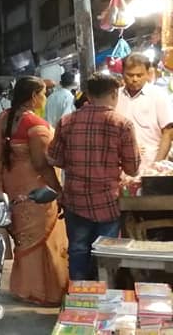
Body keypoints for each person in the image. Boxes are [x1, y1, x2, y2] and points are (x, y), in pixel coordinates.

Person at [0, 76, 68, 306]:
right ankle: (43, 291)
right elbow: (42, 165)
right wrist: (58, 189)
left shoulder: (4, 117)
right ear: (34, 96)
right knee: (43, 237)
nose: (45, 98)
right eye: (43, 94)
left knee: (24, 237)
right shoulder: (35, 126)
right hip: (35, 188)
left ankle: (25, 288)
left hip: (11, 184)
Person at [49, 74, 140, 281]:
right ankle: (104, 294)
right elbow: (133, 168)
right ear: (115, 94)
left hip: (75, 201)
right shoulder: (122, 124)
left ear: (88, 95)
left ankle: (80, 295)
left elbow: (54, 158)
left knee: (78, 250)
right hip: (107, 202)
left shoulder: (66, 122)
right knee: (106, 255)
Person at [115, 53, 173, 169]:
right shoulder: (115, 96)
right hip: (121, 167)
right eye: (130, 75)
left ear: (147, 73)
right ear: (122, 73)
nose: (134, 79)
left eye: (139, 75)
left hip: (150, 164)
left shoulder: (158, 95)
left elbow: (168, 133)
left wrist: (156, 165)